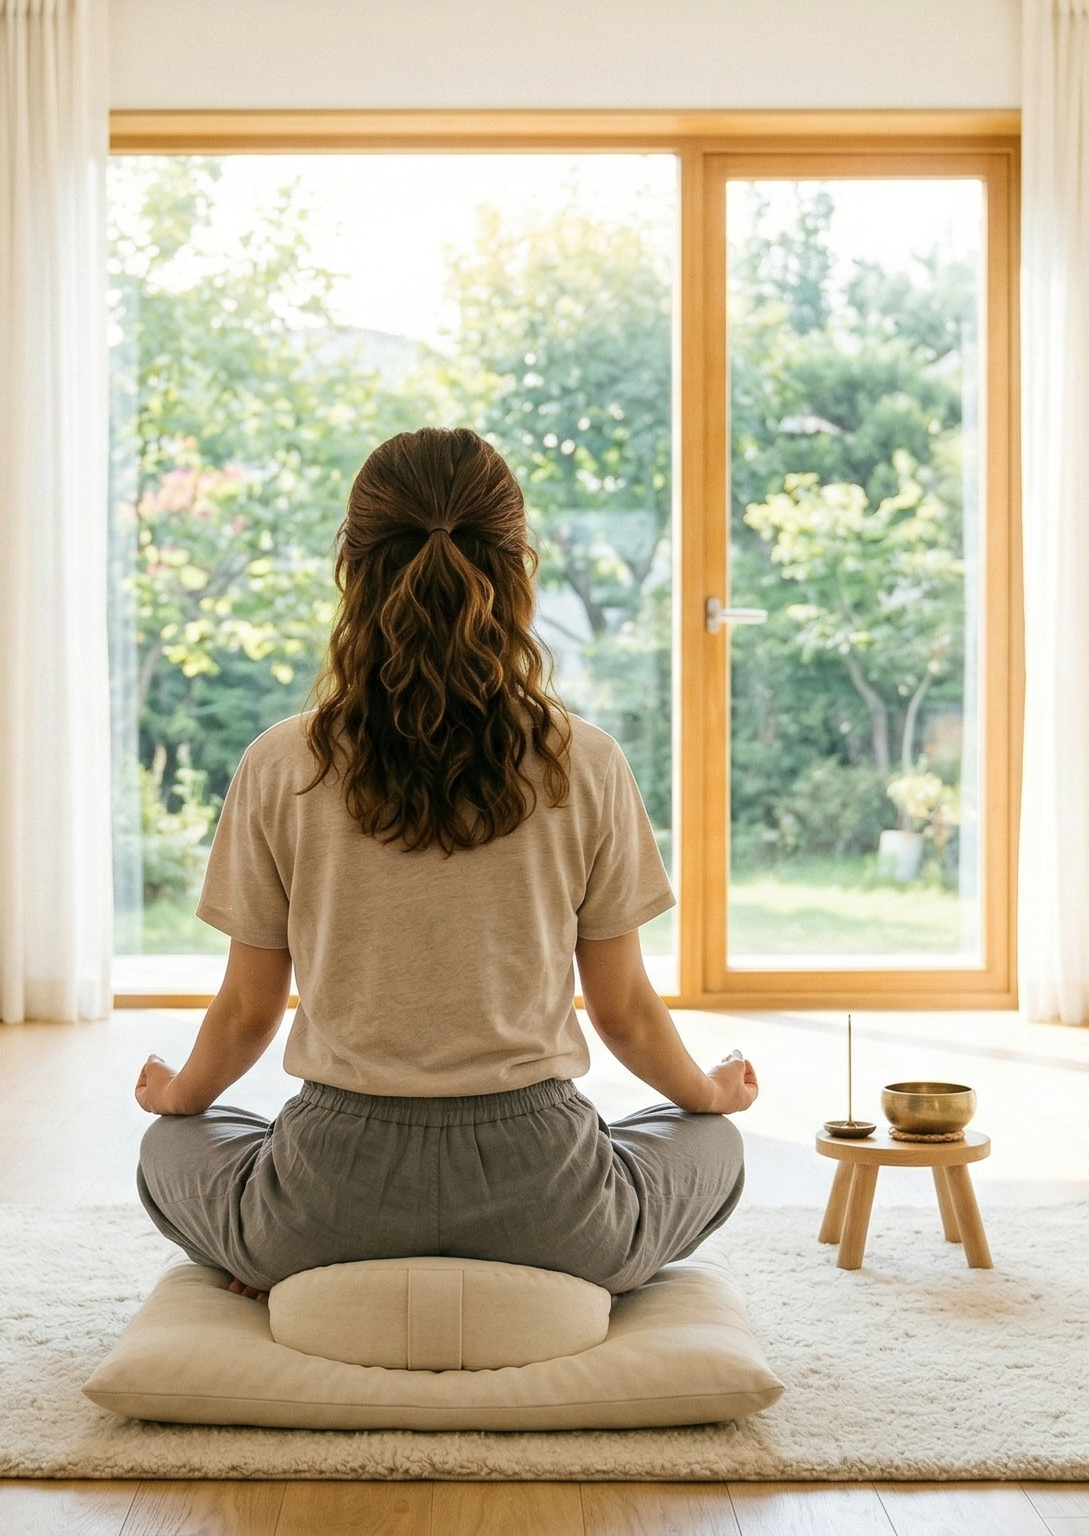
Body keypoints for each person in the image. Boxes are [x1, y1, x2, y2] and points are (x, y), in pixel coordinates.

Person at [132, 426, 756, 1300]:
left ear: (352, 569)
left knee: (170, 1145)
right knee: (712, 1143)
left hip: (325, 1200)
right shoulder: (586, 760)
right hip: (550, 1201)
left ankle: (290, 1266)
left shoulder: (281, 762)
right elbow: (624, 1013)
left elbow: (246, 1013)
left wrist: (178, 1098)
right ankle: (558, 1260)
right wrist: (709, 1095)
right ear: (517, 571)